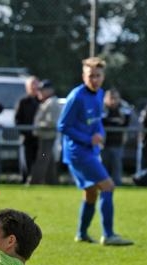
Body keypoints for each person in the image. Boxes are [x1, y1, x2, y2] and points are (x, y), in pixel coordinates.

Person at [57, 57, 133, 246]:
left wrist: (100, 133)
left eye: (98, 76)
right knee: (108, 186)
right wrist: (87, 139)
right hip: (77, 151)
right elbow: (62, 126)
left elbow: (97, 120)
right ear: (84, 76)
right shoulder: (76, 97)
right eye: (91, 76)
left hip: (88, 151)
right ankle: (108, 235)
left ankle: (81, 234)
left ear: (103, 77)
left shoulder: (99, 94)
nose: (95, 79)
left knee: (91, 192)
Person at [30, 80, 61, 185]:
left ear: (49, 91)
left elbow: (51, 122)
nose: (40, 92)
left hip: (47, 136)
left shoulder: (51, 103)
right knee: (49, 159)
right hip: (45, 136)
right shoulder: (48, 102)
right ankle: (52, 181)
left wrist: (38, 126)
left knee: (42, 159)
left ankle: (35, 181)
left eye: (42, 90)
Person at [101, 89, 130, 186]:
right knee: (102, 166)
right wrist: (115, 121)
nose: (113, 101)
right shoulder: (101, 107)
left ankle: (117, 185)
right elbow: (103, 122)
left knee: (117, 166)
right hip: (103, 144)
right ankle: (103, 185)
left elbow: (124, 123)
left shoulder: (124, 108)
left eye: (116, 98)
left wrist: (111, 121)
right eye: (111, 98)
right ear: (106, 99)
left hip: (118, 143)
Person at [15, 76, 40, 184]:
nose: (34, 87)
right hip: (26, 138)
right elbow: (17, 120)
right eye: (31, 85)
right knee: (26, 160)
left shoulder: (42, 102)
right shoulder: (23, 102)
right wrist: (25, 132)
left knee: (40, 159)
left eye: (36, 85)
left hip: (39, 138)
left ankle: (37, 180)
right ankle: (25, 180)